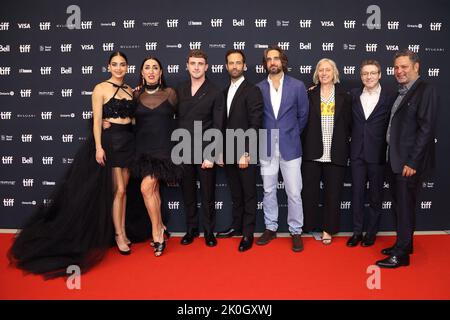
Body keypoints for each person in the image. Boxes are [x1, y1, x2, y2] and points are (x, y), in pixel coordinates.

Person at [8, 51, 136, 278]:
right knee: (119, 190)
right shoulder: (100, 89)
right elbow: (96, 119)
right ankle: (119, 235)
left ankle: (122, 232)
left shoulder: (129, 90)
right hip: (110, 144)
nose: (118, 68)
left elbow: (133, 119)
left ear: (127, 67)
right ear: (108, 67)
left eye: (122, 65)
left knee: (123, 191)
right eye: (114, 64)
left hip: (128, 141)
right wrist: (98, 146)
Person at [376, 49, 438, 268]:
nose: (399, 71)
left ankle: (401, 255)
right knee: (400, 206)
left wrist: (412, 162)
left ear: (416, 66)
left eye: (404, 66)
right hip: (395, 161)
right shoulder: (400, 91)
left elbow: (426, 129)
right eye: (396, 67)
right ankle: (404, 244)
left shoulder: (425, 90)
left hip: (407, 164)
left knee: (404, 207)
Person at [255, 45, 309, 252]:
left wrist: (291, 133)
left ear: (283, 61)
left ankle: (295, 230)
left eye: (276, 58)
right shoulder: (258, 88)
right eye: (269, 59)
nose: (273, 62)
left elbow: (303, 115)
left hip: (291, 146)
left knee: (294, 192)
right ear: (265, 64)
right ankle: (271, 228)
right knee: (269, 190)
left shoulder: (297, 86)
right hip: (267, 146)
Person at [131, 56, 181, 256]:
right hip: (143, 151)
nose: (151, 71)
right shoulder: (135, 96)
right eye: (147, 68)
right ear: (142, 73)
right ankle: (161, 226)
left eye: (155, 68)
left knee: (146, 188)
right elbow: (127, 120)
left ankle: (157, 234)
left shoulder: (170, 94)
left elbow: (182, 119)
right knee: (153, 191)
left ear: (161, 73)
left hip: (164, 150)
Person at [215, 49, 263, 252]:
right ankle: (236, 227)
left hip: (245, 153)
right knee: (236, 194)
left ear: (244, 66)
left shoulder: (252, 90)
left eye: (238, 63)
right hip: (228, 151)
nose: (234, 66)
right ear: (226, 66)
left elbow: (256, 122)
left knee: (249, 194)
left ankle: (248, 233)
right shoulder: (224, 91)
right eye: (231, 63)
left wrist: (247, 152)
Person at [176, 50, 225, 247]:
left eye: (200, 63)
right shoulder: (179, 89)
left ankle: (209, 232)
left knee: (207, 194)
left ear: (206, 67)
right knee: (188, 193)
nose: (196, 67)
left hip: (206, 151)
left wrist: (212, 154)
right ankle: (191, 229)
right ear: (187, 65)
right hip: (183, 149)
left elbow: (218, 124)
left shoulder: (215, 91)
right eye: (193, 63)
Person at [301, 58, 352, 245]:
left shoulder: (345, 96)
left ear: (334, 73)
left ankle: (328, 229)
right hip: (312, 152)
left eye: (327, 70)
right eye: (320, 70)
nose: (323, 73)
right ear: (316, 73)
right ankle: (310, 225)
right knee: (310, 193)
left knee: (333, 194)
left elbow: (350, 125)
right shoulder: (309, 94)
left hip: (336, 152)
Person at [347, 60, 395, 248]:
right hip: (357, 153)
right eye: (365, 73)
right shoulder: (353, 95)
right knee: (357, 194)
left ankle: (371, 233)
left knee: (375, 196)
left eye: (373, 73)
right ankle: (357, 232)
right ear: (361, 76)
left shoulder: (390, 97)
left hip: (378, 154)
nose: (369, 77)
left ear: (380, 74)